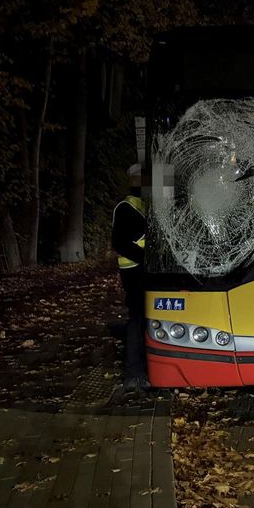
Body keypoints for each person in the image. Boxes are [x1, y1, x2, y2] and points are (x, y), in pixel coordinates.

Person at [111, 165, 149, 393]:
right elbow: (120, 243)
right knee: (137, 321)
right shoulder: (125, 208)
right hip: (134, 273)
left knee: (144, 321)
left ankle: (143, 370)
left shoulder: (141, 207)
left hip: (143, 273)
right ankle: (134, 374)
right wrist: (147, 259)